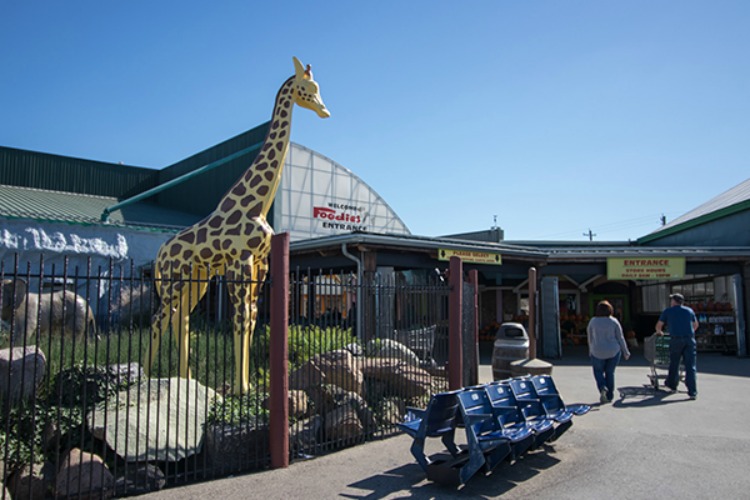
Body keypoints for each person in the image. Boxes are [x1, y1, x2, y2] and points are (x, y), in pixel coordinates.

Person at [655, 293, 699, 400]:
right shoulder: (689, 311)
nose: (670, 302)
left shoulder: (668, 311)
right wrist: (689, 332)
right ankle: (692, 391)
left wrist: (659, 332)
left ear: (674, 301)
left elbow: (659, 325)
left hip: (676, 339)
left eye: (671, 300)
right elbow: (696, 324)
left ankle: (672, 384)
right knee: (690, 366)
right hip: (689, 339)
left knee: (674, 363)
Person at [587, 300, 631, 404]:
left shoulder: (593, 321)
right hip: (613, 350)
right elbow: (620, 337)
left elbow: (590, 337)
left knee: (598, 372)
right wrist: (626, 351)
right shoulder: (614, 321)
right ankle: (610, 396)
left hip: (597, 350)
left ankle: (602, 387)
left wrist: (590, 350)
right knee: (610, 372)